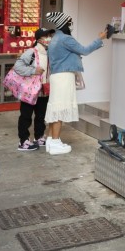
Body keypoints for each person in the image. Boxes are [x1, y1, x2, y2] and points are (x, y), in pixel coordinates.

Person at [44, 12, 107, 155]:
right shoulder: (66, 39)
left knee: (55, 108)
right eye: (69, 22)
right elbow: (84, 50)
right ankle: (55, 142)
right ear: (64, 24)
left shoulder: (55, 39)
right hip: (64, 77)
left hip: (56, 76)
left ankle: (51, 139)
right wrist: (100, 38)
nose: (71, 25)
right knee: (60, 109)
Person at [13, 29, 54, 152]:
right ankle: (23, 141)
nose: (49, 38)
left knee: (41, 115)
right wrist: (33, 71)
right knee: (26, 115)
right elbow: (17, 67)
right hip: (30, 90)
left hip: (43, 90)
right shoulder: (31, 52)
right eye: (47, 36)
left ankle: (39, 137)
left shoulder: (49, 53)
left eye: (49, 36)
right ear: (40, 39)